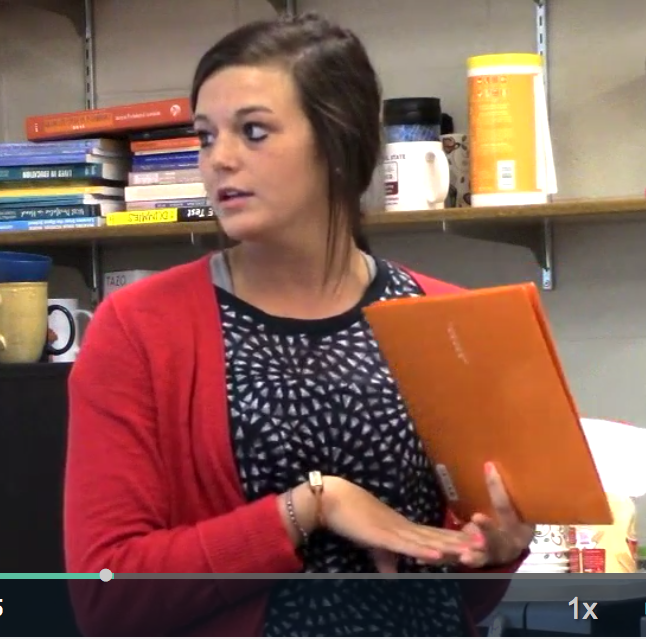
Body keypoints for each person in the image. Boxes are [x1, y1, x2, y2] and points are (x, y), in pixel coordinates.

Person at [63, 11, 537, 637]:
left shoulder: (445, 317)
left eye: (253, 132)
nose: (219, 160)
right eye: (205, 136)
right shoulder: (139, 329)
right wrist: (309, 507)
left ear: (337, 144)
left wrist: (496, 551)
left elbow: (458, 591)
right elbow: (106, 595)